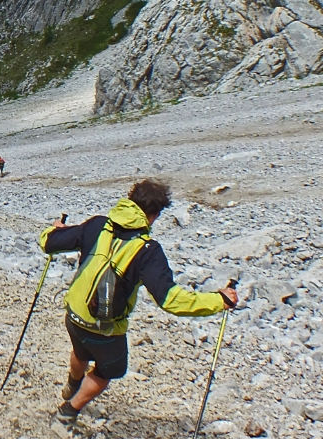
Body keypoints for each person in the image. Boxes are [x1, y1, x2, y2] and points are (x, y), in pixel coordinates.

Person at [38, 179, 238, 424]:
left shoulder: (98, 224)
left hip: (74, 313)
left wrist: (55, 229)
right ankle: (68, 412)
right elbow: (171, 300)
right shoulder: (148, 250)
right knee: (109, 370)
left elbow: (47, 243)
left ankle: (72, 384)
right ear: (154, 215)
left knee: (81, 350)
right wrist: (218, 300)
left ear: (130, 200)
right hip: (105, 329)